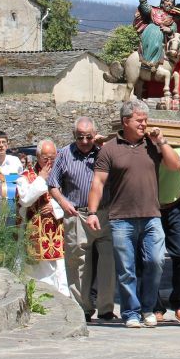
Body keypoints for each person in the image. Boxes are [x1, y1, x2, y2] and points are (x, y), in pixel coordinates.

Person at [87, 100, 179, 328]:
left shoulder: (152, 144)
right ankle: (131, 312)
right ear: (125, 120)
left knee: (156, 261)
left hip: (151, 216)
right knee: (126, 269)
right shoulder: (109, 148)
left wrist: (162, 142)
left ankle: (148, 308)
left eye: (145, 120)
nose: (144, 124)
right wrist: (92, 212)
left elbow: (175, 165)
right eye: (140, 120)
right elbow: (98, 182)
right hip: (121, 219)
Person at [49, 116, 116, 322]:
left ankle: (105, 308)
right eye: (80, 137)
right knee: (78, 262)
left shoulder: (105, 151)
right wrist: (63, 202)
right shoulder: (64, 154)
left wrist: (105, 143)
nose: (85, 141)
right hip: (77, 213)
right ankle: (82, 308)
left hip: (105, 213)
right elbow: (53, 184)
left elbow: (122, 162)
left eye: (88, 137)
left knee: (108, 262)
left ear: (94, 134)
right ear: (74, 136)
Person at [16, 139, 69, 296]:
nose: (50, 161)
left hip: (60, 228)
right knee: (41, 272)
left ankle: (65, 300)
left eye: (53, 157)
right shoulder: (25, 176)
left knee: (61, 269)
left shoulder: (63, 174)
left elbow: (73, 197)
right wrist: (41, 178)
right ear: (38, 156)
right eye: (46, 158)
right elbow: (24, 199)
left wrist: (55, 206)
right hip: (37, 232)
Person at [154, 145, 180, 323]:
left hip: (175, 207)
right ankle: (155, 306)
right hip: (151, 209)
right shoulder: (145, 149)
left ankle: (178, 302)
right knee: (153, 259)